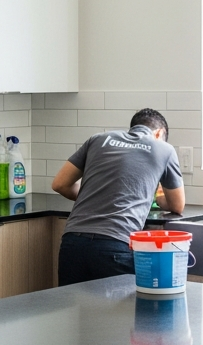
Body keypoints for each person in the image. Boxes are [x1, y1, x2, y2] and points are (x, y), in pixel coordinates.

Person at [51, 108, 185, 286]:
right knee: (120, 313)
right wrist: (158, 191)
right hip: (116, 244)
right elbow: (177, 205)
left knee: (76, 311)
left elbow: (60, 184)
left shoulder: (98, 139)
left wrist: (96, 195)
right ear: (159, 133)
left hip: (73, 243)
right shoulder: (164, 149)